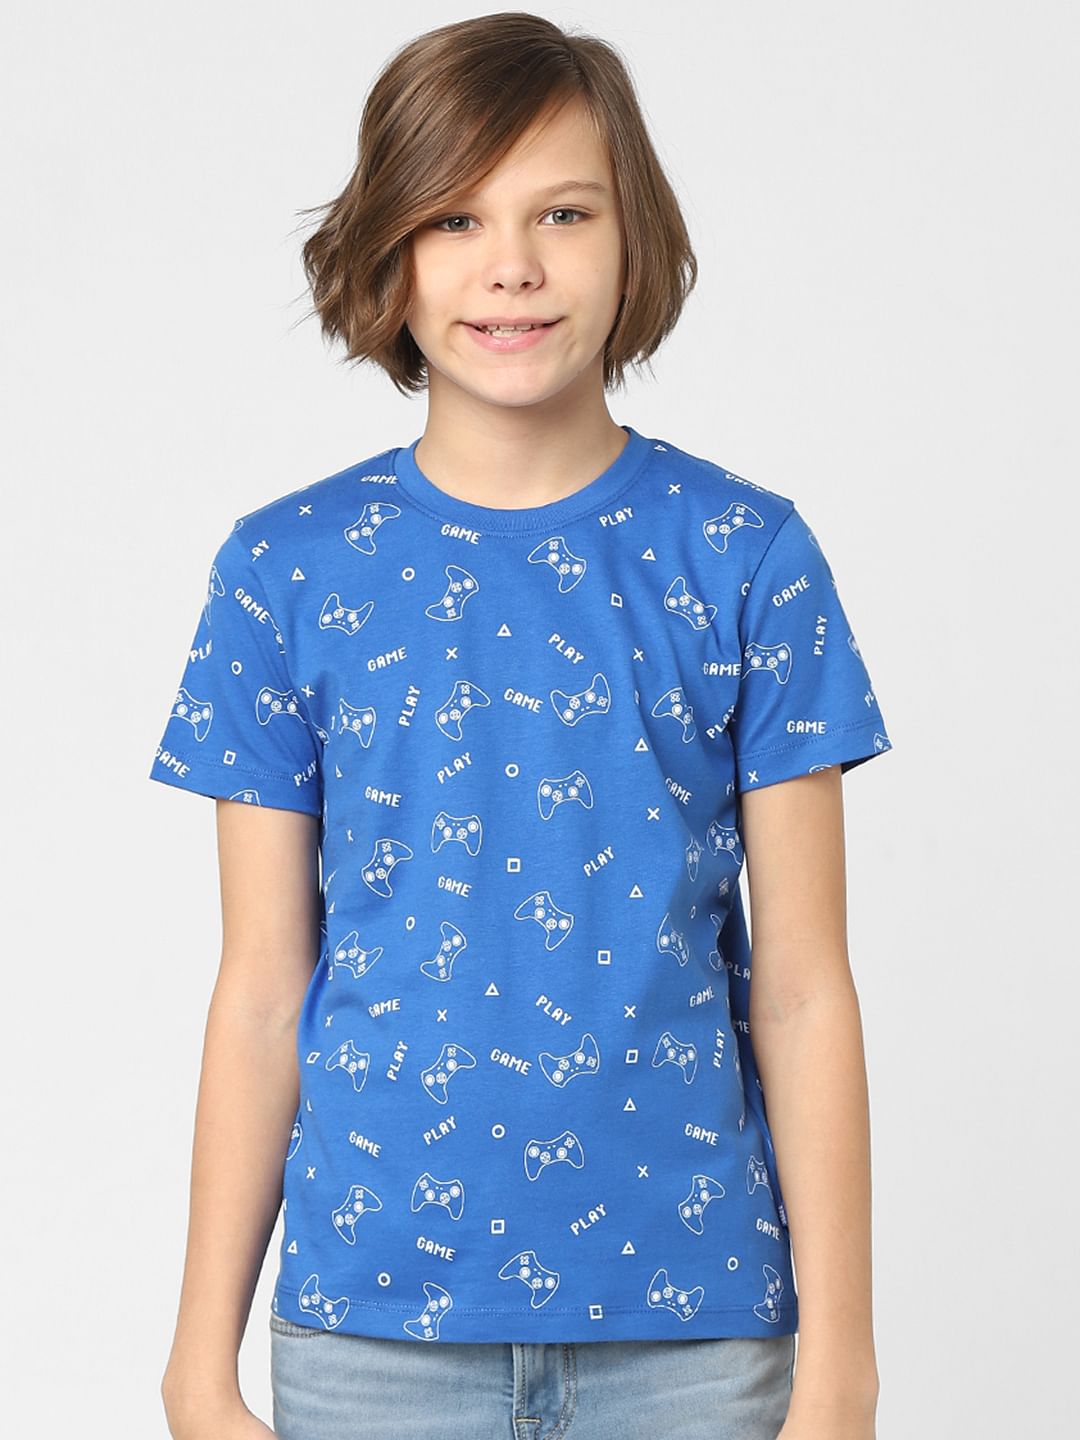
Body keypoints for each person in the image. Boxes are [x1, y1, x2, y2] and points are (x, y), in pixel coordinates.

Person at [150, 13, 893, 1440]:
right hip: (371, 1334)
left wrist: (844, 1370)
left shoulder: (746, 556)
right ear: (388, 252)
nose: (512, 266)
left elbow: (805, 987)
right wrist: (197, 1363)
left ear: (634, 237)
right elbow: (260, 991)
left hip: (695, 1336)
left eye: (563, 212)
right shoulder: (286, 570)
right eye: (454, 218)